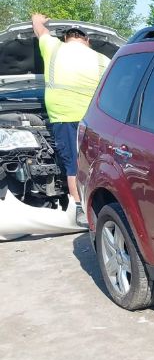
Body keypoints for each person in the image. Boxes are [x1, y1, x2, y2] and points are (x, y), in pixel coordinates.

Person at [31, 13, 110, 226]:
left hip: (63, 116)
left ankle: (79, 208)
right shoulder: (103, 59)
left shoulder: (54, 48)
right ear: (88, 41)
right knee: (96, 162)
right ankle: (102, 203)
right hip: (95, 119)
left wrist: (37, 20)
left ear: (66, 38)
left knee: (73, 164)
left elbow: (40, 31)